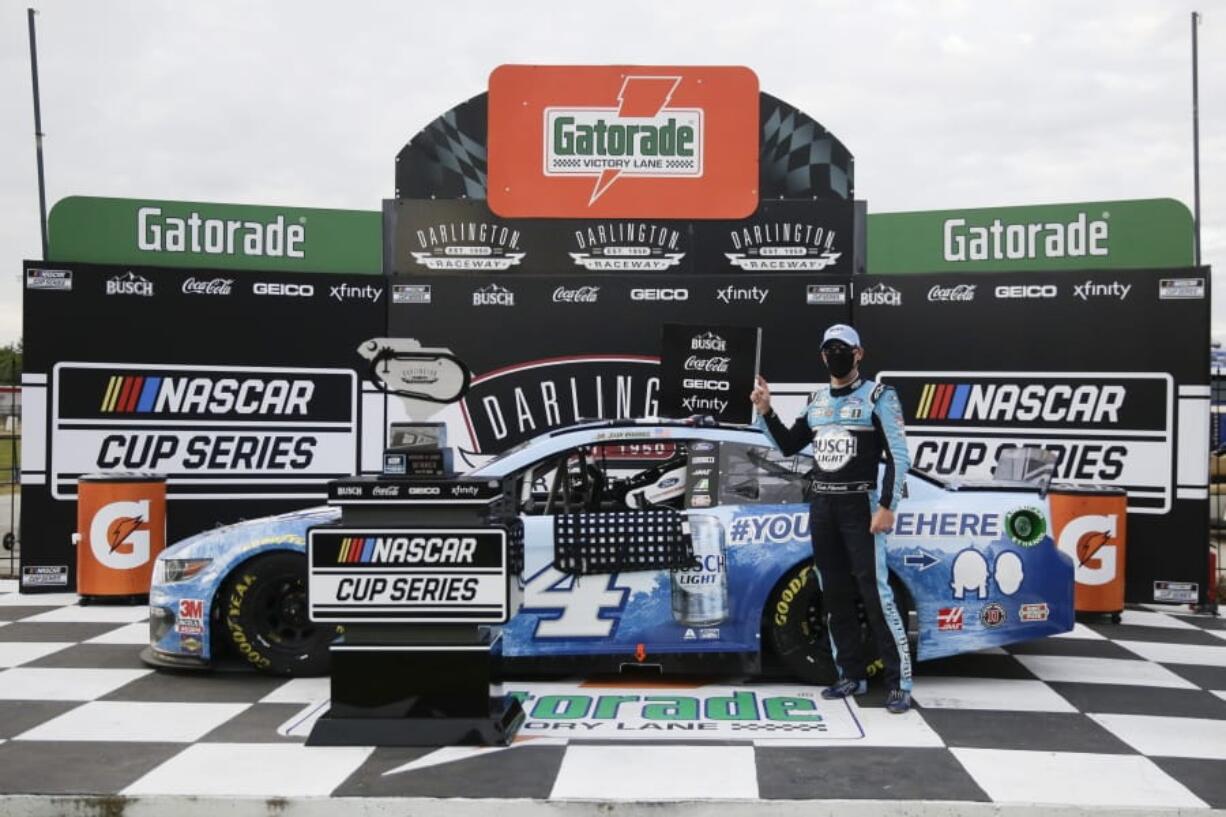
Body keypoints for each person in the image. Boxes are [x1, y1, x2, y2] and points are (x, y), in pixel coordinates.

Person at [749, 323, 914, 714]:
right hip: (822, 507)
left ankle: (899, 683)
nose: (836, 354)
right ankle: (849, 675)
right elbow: (789, 444)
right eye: (830, 349)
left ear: (859, 353)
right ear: (823, 355)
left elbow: (899, 457)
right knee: (833, 594)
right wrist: (765, 411)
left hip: (861, 506)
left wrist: (888, 506)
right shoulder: (818, 399)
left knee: (876, 595)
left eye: (844, 348)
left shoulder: (879, 396)